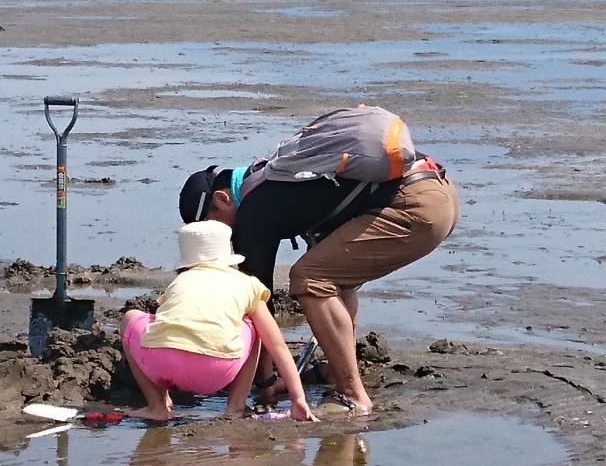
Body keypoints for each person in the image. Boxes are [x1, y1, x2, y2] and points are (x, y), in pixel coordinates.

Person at [178, 111, 458, 415]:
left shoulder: (252, 211)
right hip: (438, 191)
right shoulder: (275, 173)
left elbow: (258, 307)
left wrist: (266, 381)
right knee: (332, 276)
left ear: (221, 199)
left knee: (309, 278)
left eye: (212, 225)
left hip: (415, 207)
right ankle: (335, 370)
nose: (219, 236)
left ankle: (353, 395)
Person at [122, 220, 317, 422]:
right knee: (254, 325)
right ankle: (235, 407)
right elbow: (277, 345)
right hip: (215, 372)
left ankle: (157, 406)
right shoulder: (247, 284)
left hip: (162, 366)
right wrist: (298, 398)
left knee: (132, 318)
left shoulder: (179, 282)